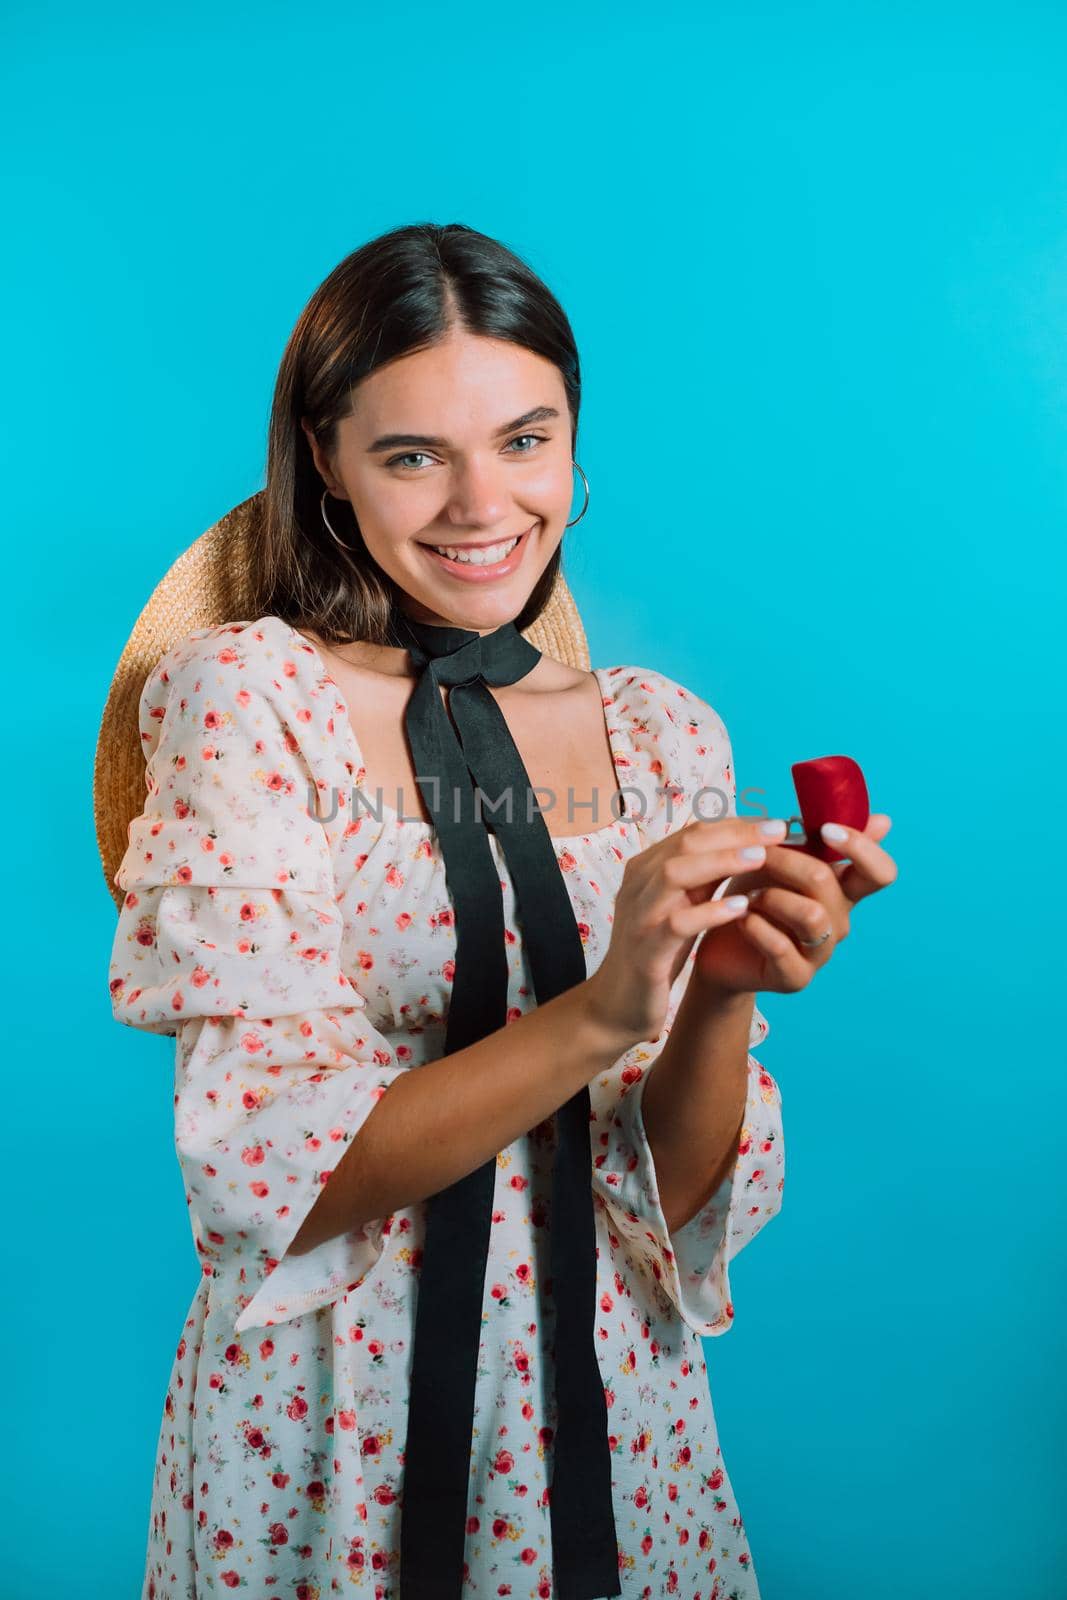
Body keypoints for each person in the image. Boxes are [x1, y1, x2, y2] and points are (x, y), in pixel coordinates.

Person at [106, 221, 897, 1600]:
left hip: (608, 1406)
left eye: (526, 442)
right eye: (414, 454)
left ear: (574, 442)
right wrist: (600, 1011)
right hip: (334, 1419)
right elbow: (278, 1171)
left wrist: (714, 988)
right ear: (327, 464)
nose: (484, 506)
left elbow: (673, 1199)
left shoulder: (659, 738)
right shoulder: (250, 702)